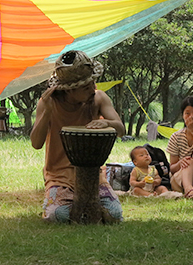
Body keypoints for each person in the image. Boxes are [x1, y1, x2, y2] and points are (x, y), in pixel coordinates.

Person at [30, 50, 125, 223]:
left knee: (114, 214)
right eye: (85, 87)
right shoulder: (48, 102)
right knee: (57, 215)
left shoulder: (99, 98)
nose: (93, 88)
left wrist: (107, 123)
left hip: (93, 174)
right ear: (69, 90)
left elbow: (121, 129)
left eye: (92, 82)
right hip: (59, 176)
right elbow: (36, 143)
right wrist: (47, 113)